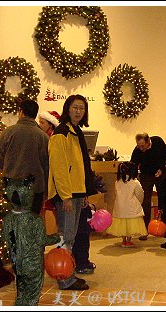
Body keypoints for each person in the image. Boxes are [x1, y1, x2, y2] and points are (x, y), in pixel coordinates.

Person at [47, 94, 96, 291]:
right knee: (65, 237)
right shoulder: (61, 133)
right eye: (75, 107)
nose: (78, 111)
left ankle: (69, 274)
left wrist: (84, 192)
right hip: (66, 194)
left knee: (71, 237)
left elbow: (80, 165)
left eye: (82, 108)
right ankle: (64, 279)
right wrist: (65, 196)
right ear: (67, 109)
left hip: (76, 192)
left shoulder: (76, 132)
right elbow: (59, 168)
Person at [2, 175, 61, 306]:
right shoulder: (35, 220)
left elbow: (6, 238)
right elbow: (41, 240)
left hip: (17, 263)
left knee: (21, 292)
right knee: (32, 294)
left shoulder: (7, 219)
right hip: (33, 264)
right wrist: (56, 238)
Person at [0, 98, 49, 215]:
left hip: (12, 185)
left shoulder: (8, 132)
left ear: (21, 112)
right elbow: (47, 165)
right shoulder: (43, 137)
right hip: (35, 188)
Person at [130, 133, 166, 240]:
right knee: (145, 201)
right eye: (139, 146)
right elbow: (133, 164)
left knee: (163, 198)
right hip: (146, 175)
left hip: (160, 173)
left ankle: (165, 228)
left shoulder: (158, 141)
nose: (141, 148)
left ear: (148, 142)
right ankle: (145, 230)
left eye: (143, 146)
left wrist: (162, 169)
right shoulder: (137, 150)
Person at [106, 161, 148, 247]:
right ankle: (128, 240)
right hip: (131, 207)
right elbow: (140, 194)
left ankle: (124, 240)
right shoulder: (135, 182)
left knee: (122, 224)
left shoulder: (117, 182)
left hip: (119, 207)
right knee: (130, 225)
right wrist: (139, 202)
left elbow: (116, 193)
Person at [37, 110, 61, 229]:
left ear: (50, 124)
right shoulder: (41, 137)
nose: (39, 125)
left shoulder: (54, 139)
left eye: (42, 122)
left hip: (52, 179)